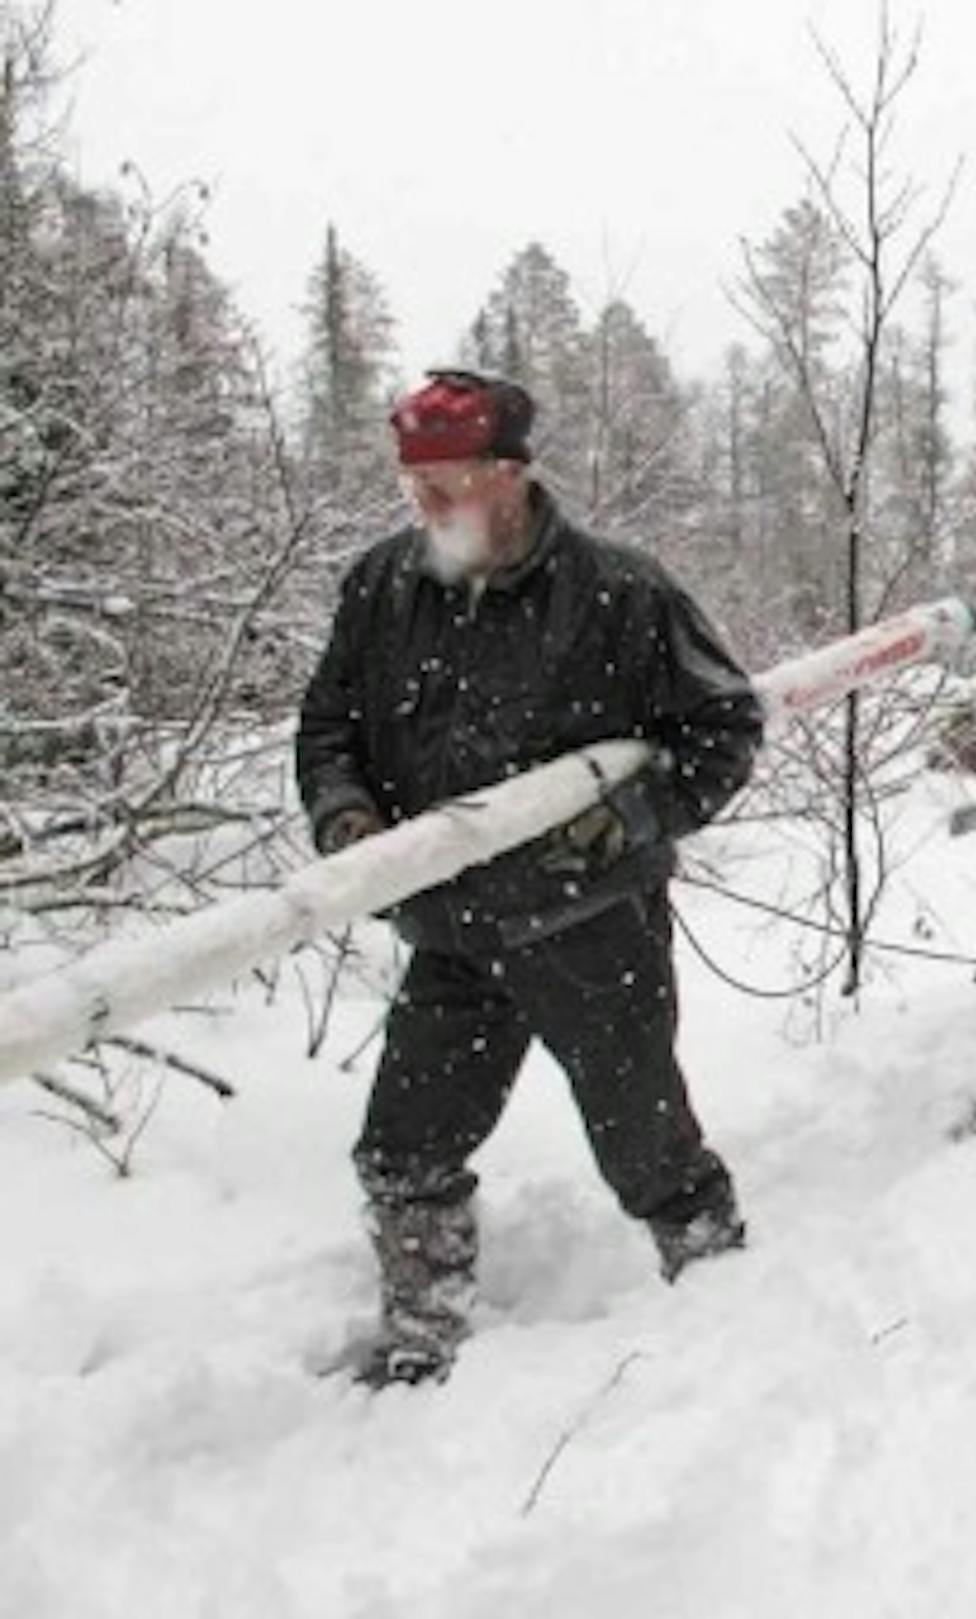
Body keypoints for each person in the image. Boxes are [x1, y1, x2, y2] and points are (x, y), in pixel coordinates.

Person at [294, 369, 764, 1388]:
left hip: (591, 926)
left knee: (647, 1144)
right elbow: (329, 723)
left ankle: (727, 1302)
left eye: (450, 482)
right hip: (449, 926)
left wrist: (616, 824)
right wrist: (346, 814)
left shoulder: (618, 592)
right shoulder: (382, 587)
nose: (426, 506)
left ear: (511, 474)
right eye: (413, 485)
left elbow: (724, 727)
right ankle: (423, 1328)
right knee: (404, 1147)